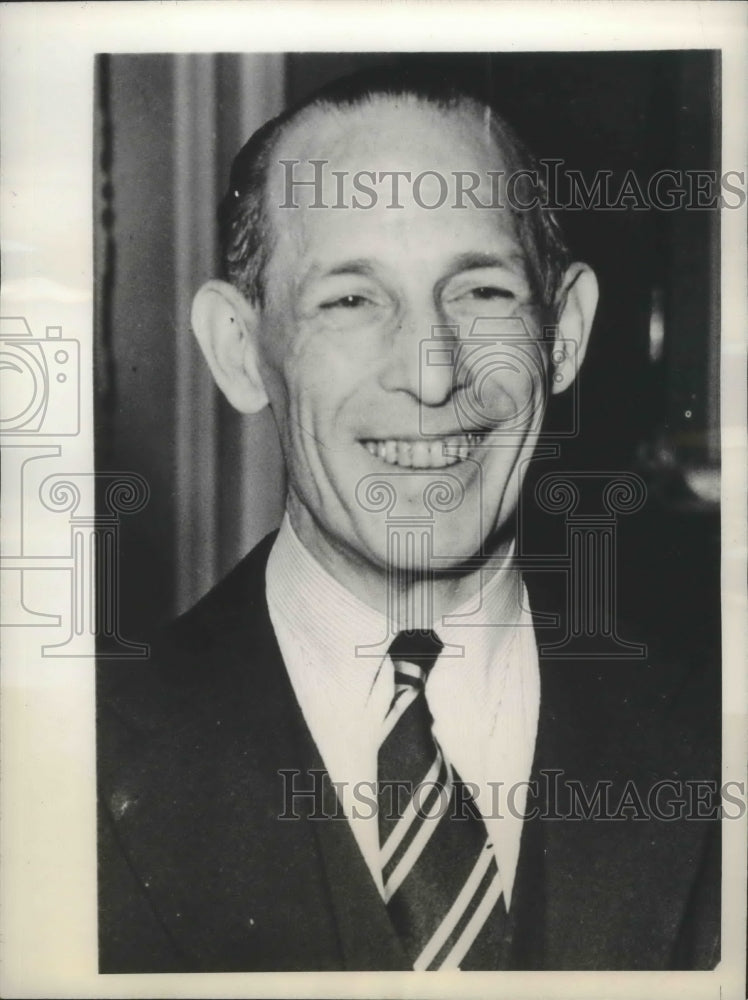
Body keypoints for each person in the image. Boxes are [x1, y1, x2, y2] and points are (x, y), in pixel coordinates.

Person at [96, 66, 720, 973]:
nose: (432, 376)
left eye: (484, 293)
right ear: (240, 351)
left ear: (565, 334)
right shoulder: (56, 766)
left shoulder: (716, 732)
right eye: (351, 300)